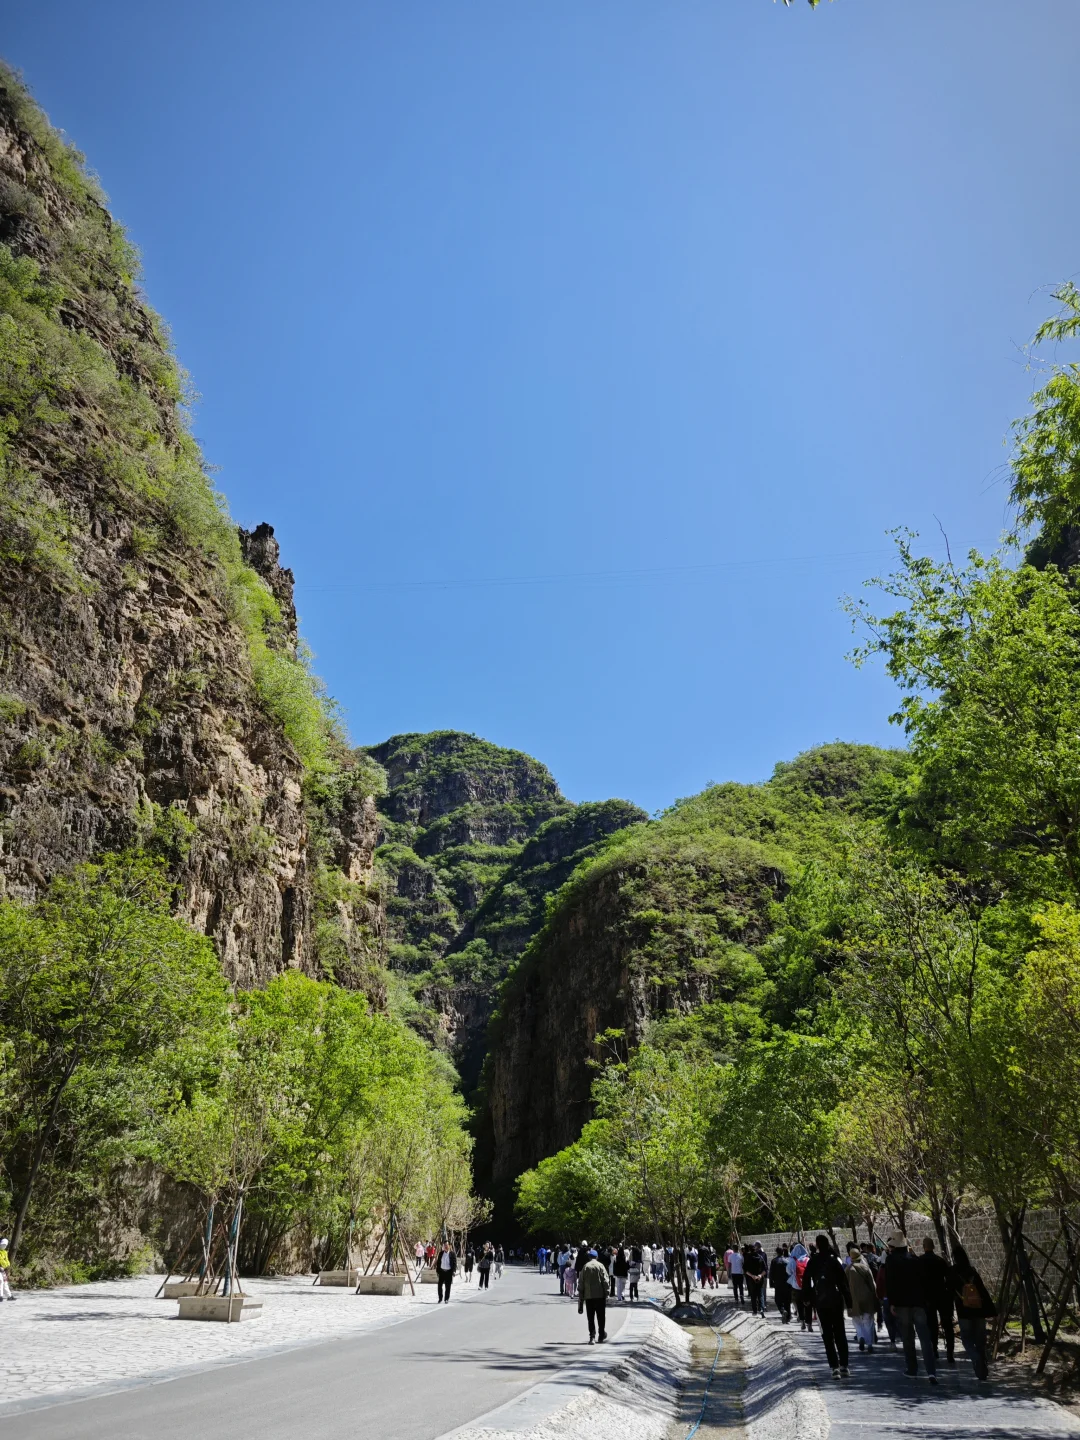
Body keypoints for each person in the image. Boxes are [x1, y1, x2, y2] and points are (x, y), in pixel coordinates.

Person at [885, 1232, 937, 1383]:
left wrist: (892, 1303)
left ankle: (912, 1369)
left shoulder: (891, 1260)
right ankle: (931, 1371)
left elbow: (890, 1283)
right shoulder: (915, 1260)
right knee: (925, 1338)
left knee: (908, 1339)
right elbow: (924, 1282)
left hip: (902, 1305)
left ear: (893, 1246)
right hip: (918, 1304)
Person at [802, 1234, 852, 1379]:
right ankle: (844, 1366)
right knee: (840, 1333)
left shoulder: (813, 1261)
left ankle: (834, 1367)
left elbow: (806, 1281)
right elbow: (843, 1283)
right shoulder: (834, 1260)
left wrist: (807, 1299)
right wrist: (849, 1302)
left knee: (827, 1335)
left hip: (821, 1302)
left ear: (817, 1245)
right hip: (836, 1301)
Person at [948, 1243, 996, 1382]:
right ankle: (982, 1368)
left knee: (967, 1339)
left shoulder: (952, 1272)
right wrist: (992, 1311)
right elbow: (983, 1291)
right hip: (978, 1310)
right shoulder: (972, 1271)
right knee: (980, 1340)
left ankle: (975, 1358)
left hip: (964, 1312)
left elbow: (949, 1291)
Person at [920, 1237, 955, 1365]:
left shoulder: (920, 1261)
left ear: (924, 1246)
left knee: (931, 1325)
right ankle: (950, 1353)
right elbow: (948, 1279)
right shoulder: (941, 1261)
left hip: (928, 1297)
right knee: (947, 1325)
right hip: (942, 1295)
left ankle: (934, 1349)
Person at [845, 1242, 878, 1353]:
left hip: (853, 1299)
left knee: (857, 1321)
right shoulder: (865, 1268)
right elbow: (873, 1285)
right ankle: (869, 1343)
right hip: (867, 1298)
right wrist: (875, 1296)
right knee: (868, 1321)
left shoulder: (848, 1270)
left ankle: (860, 1337)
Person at [578, 1249, 610, 1343]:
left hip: (589, 1296)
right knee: (601, 1317)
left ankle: (592, 1337)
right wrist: (607, 1292)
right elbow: (605, 1280)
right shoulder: (600, 1266)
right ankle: (601, 1336)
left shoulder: (585, 1267)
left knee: (590, 1318)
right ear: (597, 1257)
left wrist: (581, 1295)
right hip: (600, 1296)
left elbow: (581, 1281)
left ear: (589, 1257)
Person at [787, 1241, 813, 1331]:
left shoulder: (792, 1260)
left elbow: (788, 1271)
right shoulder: (808, 1259)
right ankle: (809, 1324)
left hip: (796, 1286)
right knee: (808, 1304)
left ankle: (802, 1322)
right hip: (808, 1285)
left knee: (799, 1304)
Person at [770, 1246, 792, 1323]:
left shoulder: (774, 1261)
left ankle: (783, 1311)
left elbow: (771, 1273)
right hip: (787, 1283)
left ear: (777, 1252)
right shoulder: (787, 1261)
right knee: (787, 1300)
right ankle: (788, 1317)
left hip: (778, 1284)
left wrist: (771, 1284)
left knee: (777, 1300)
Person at [745, 1244, 768, 1316]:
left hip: (752, 1279)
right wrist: (760, 1275)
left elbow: (745, 1270)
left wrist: (752, 1276)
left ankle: (754, 1311)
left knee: (753, 1295)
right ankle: (761, 1309)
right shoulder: (760, 1257)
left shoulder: (748, 1258)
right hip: (760, 1278)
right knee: (760, 1294)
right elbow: (765, 1269)